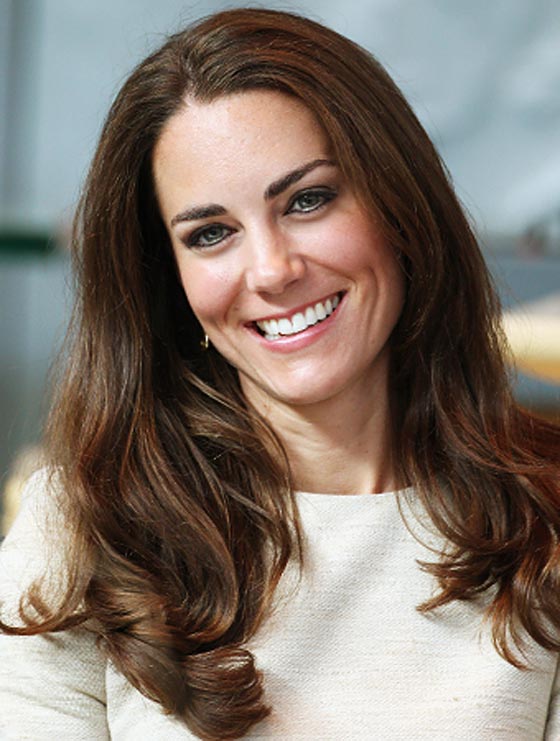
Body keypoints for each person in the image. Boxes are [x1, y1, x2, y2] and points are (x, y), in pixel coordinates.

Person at [0, 7, 559, 740]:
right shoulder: (80, 530)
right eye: (210, 234)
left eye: (307, 200)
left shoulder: (547, 517)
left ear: (400, 208)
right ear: (170, 281)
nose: (271, 270)